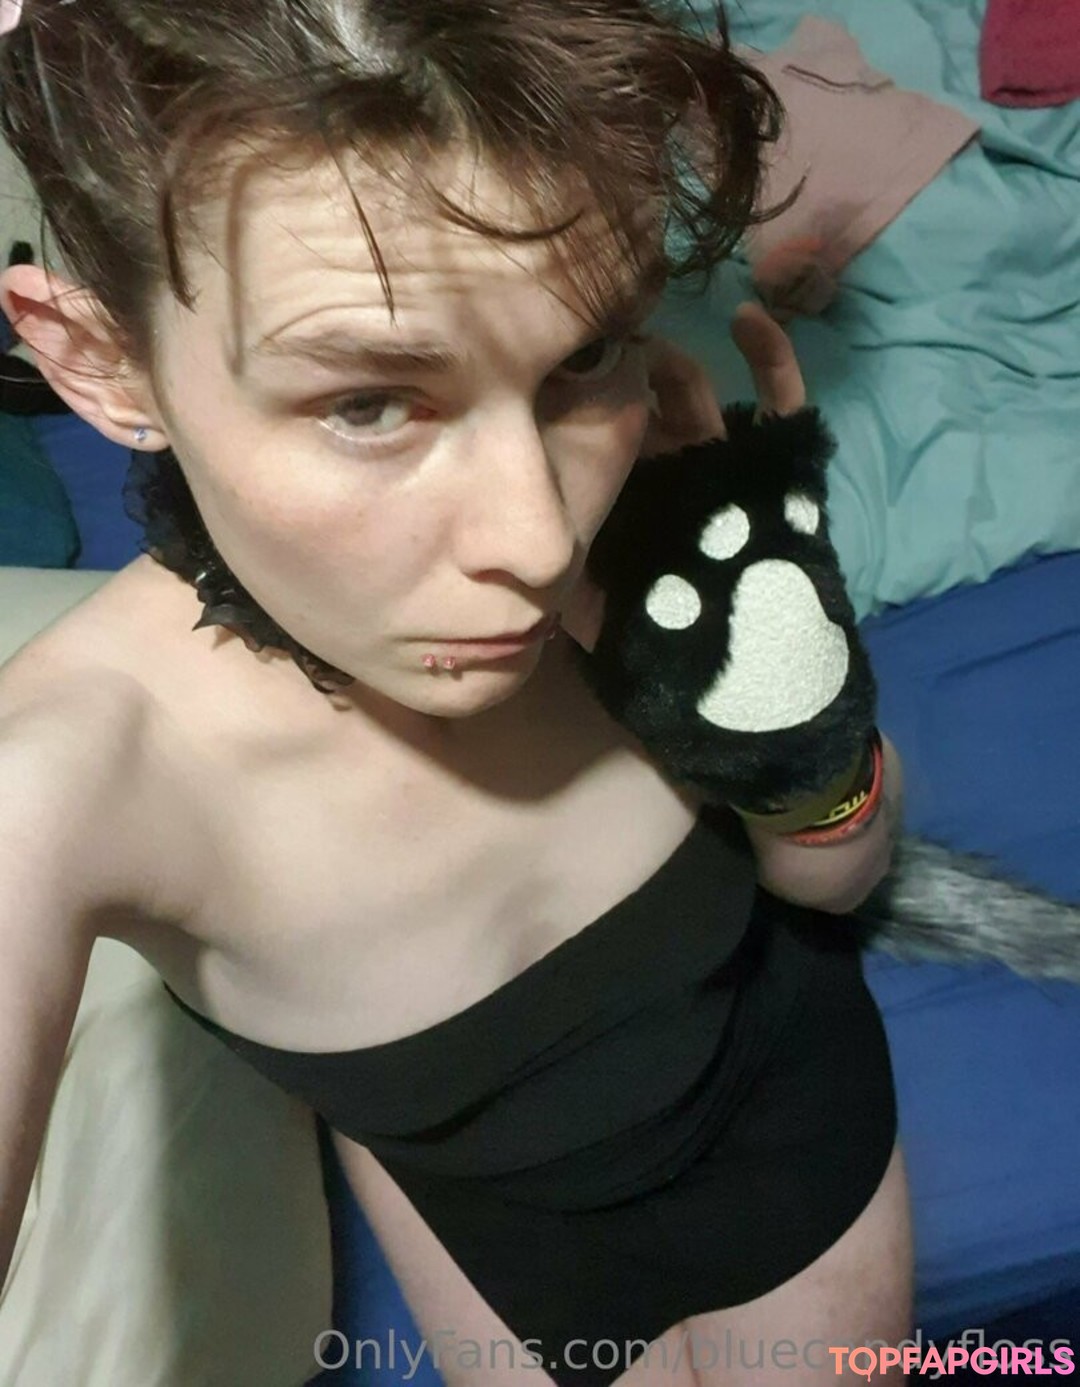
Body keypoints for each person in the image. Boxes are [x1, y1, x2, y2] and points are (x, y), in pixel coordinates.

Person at [0, 1, 912, 1382]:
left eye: (583, 357)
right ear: (100, 362)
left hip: (802, 1133)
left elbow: (835, 883)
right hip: (503, 1253)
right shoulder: (68, 777)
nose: (541, 541)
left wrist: (802, 735)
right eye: (368, 402)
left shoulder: (681, 527)